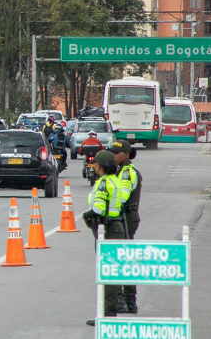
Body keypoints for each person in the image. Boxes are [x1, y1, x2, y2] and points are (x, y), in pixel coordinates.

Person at [83, 149, 127, 327]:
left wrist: (86, 215)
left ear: (98, 165)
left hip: (106, 229)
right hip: (115, 226)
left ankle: (107, 315)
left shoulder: (103, 182)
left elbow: (98, 208)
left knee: (106, 273)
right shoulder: (115, 180)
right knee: (111, 272)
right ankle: (108, 313)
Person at [109, 140, 142, 314]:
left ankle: (122, 300)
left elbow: (122, 196)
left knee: (120, 258)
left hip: (126, 217)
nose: (113, 156)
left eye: (116, 153)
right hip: (125, 217)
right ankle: (129, 301)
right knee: (125, 258)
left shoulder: (127, 172)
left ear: (126, 155)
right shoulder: (120, 170)